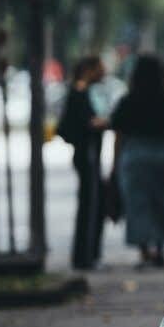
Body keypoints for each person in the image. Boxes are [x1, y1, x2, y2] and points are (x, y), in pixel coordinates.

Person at [111, 55, 164, 268]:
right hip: (160, 155)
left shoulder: (127, 101)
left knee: (138, 206)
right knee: (162, 204)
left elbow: (119, 136)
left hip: (133, 156)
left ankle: (145, 252)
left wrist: (115, 165)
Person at [57, 56, 108, 270]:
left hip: (88, 154)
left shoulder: (81, 91)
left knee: (91, 203)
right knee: (89, 204)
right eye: (100, 69)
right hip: (86, 154)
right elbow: (82, 123)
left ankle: (86, 255)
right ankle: (85, 257)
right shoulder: (79, 92)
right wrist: (98, 124)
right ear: (89, 69)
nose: (103, 73)